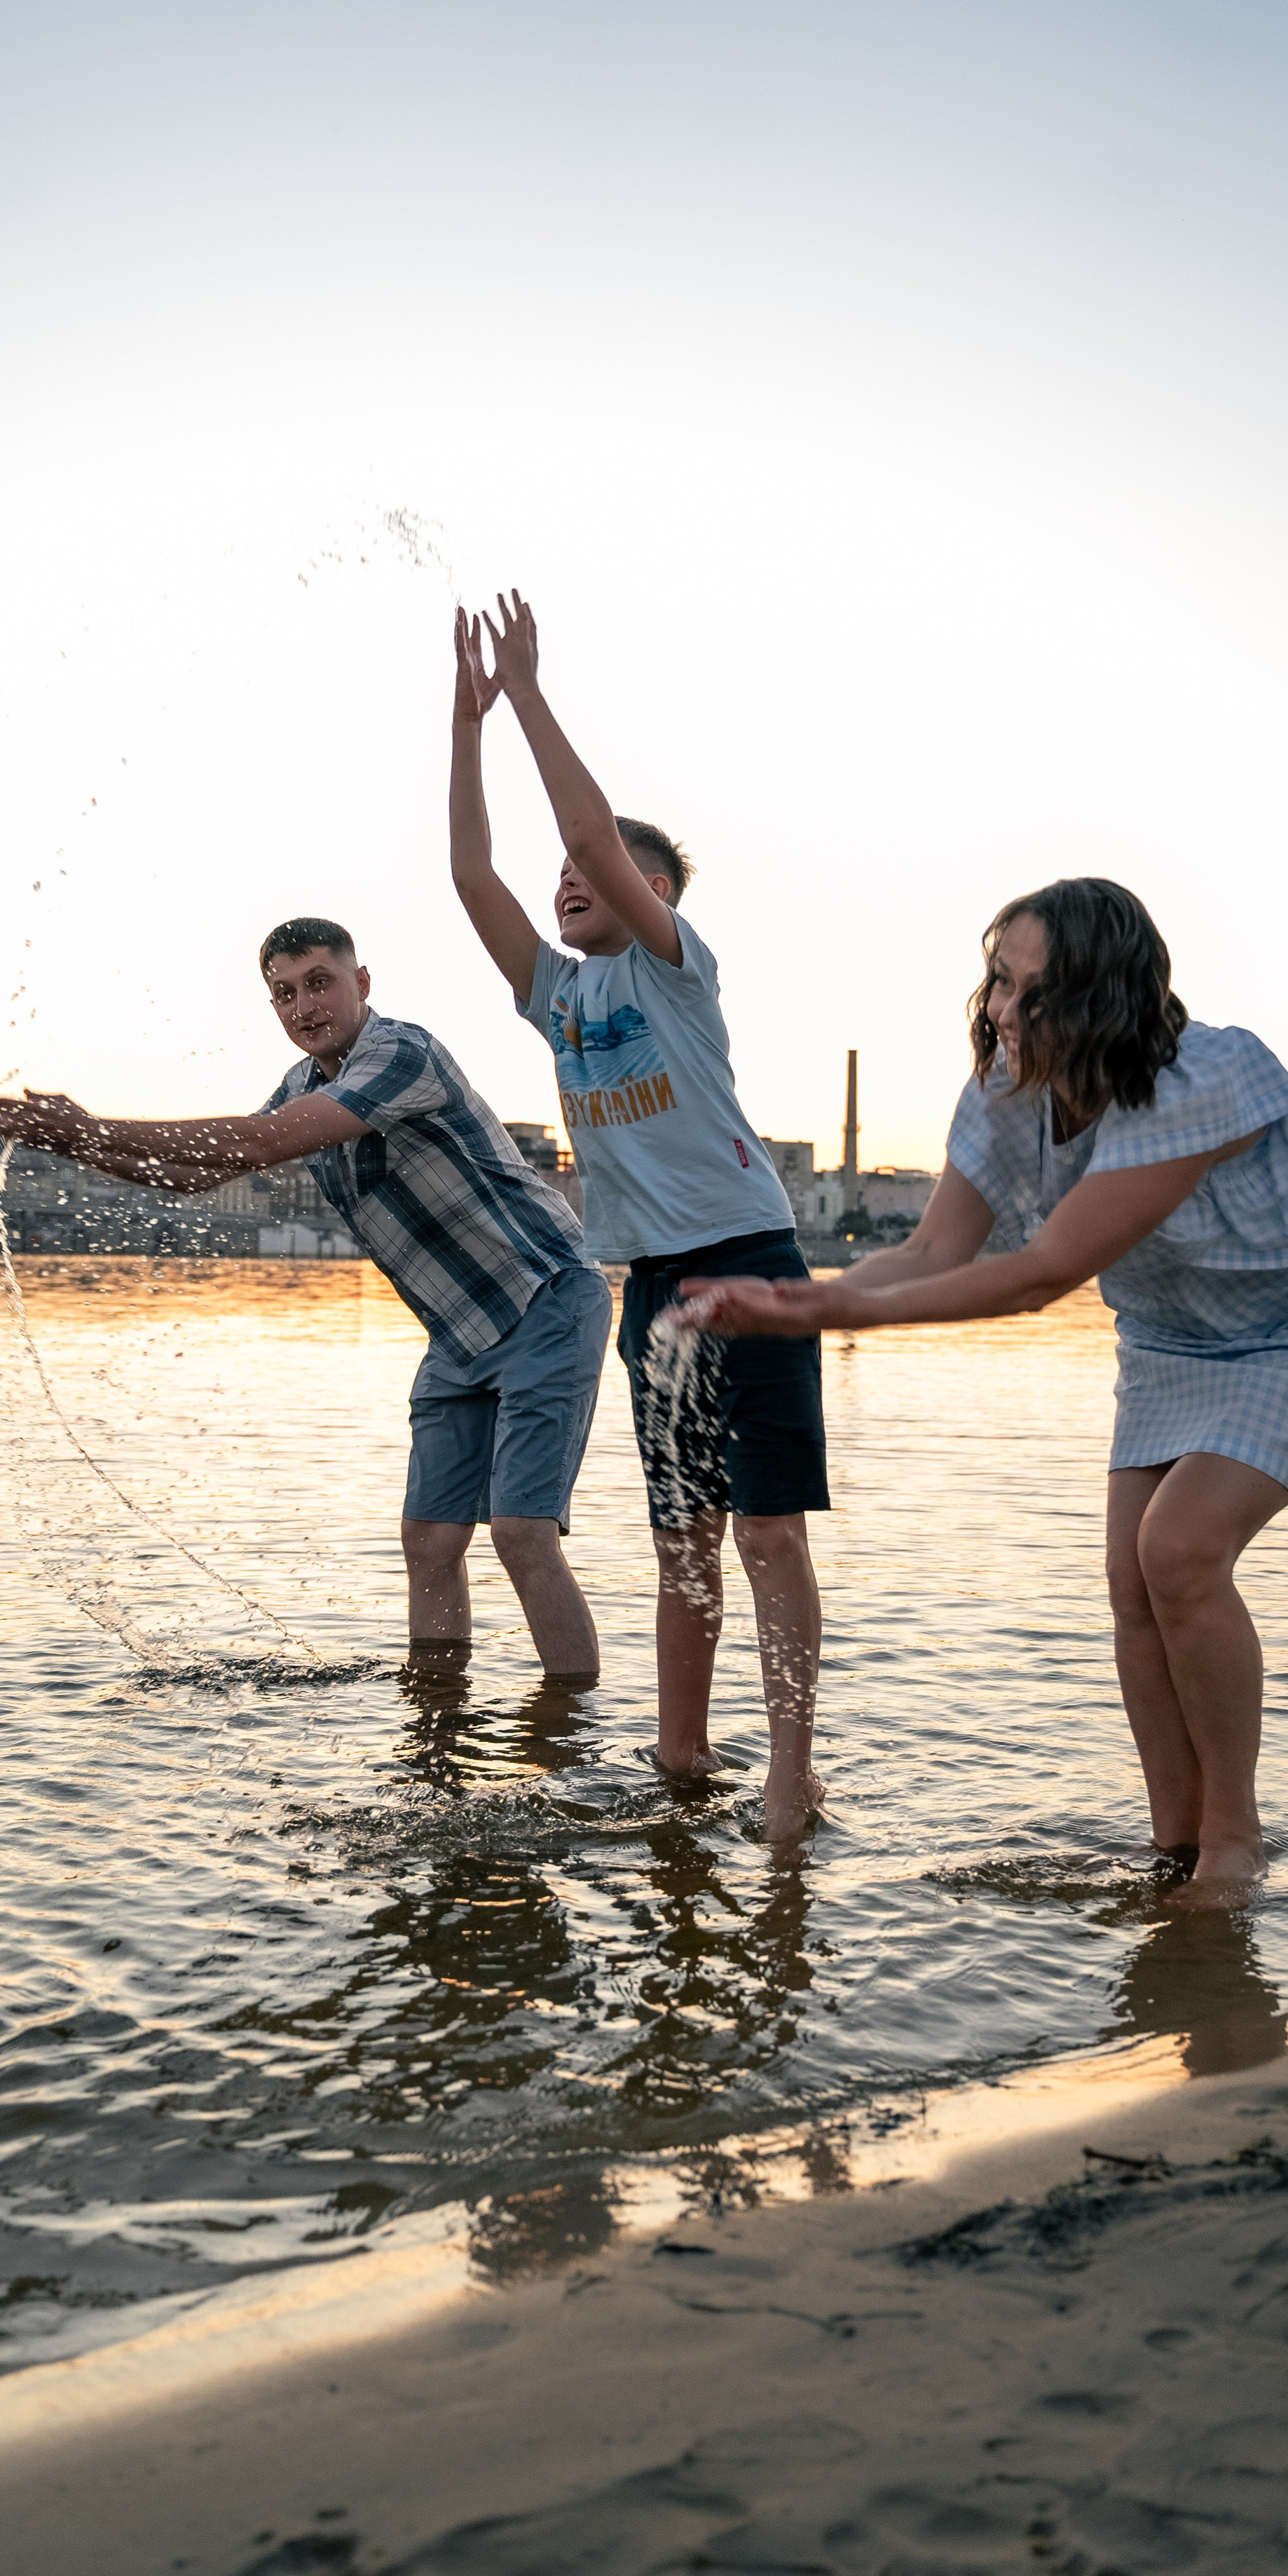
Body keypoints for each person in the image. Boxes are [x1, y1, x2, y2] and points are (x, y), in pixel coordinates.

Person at [680, 876, 1288, 1898]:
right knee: (1131, 1579)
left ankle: (1235, 1843)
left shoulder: (1205, 1075)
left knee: (1181, 1547)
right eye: (997, 981)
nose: (1003, 1011)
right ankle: (1174, 1846)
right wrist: (800, 1295)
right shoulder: (1004, 1095)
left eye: (1034, 991)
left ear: (1104, 997)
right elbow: (938, 1247)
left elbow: (1042, 1275)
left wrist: (820, 1315)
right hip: (1173, 1341)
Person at [0, 917, 612, 1680]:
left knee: (520, 1533)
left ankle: (572, 1735)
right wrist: (74, 1141)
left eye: (319, 983)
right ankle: (436, 1716)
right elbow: (198, 1173)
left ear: (361, 984)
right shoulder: (300, 1086)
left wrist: (90, 1123)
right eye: (284, 994)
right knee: (429, 1540)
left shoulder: (401, 1053)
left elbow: (257, 1143)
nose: (303, 1007)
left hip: (544, 1296)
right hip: (459, 1335)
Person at [447, 591, 828, 1843]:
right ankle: (677, 1762)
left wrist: (534, 696)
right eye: (562, 878)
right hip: (654, 1289)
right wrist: (468, 722)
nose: (568, 883)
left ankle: (787, 1771)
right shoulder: (552, 995)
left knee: (766, 1531)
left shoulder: (674, 965)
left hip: (753, 1266)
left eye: (596, 874)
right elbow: (470, 873)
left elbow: (591, 830)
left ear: (654, 890)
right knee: (683, 1544)